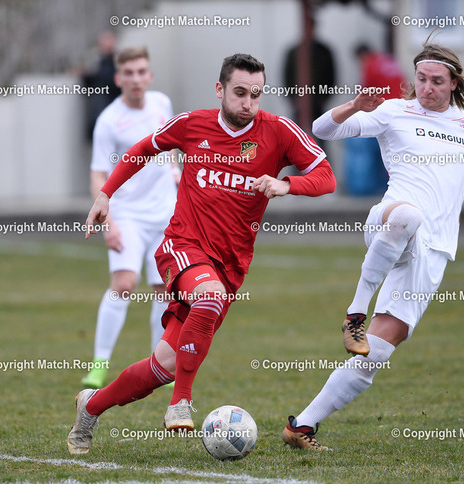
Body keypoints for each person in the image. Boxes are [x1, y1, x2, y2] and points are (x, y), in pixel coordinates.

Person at [67, 53, 336, 454]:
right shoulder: (192, 124)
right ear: (220, 90)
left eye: (256, 94)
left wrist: (287, 185)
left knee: (163, 366)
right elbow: (142, 149)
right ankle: (181, 402)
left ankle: (91, 407)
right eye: (240, 92)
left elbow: (326, 177)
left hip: (230, 266)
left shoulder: (279, 131)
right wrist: (106, 194)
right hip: (182, 245)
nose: (248, 102)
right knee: (208, 297)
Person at [281, 41, 464, 450]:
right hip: (389, 221)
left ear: (454, 83)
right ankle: (355, 313)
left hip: (433, 250)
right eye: (421, 79)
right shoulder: (393, 111)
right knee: (408, 216)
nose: (427, 88)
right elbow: (321, 130)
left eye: (437, 81)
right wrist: (354, 106)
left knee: (376, 354)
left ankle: (302, 426)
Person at [80, 46, 179, 389]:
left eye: (141, 72)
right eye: (129, 73)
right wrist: (108, 222)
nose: (136, 79)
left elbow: (171, 146)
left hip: (165, 215)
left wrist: (175, 171)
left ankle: (159, 365)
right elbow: (98, 174)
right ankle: (99, 365)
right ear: (118, 78)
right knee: (123, 285)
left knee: (164, 289)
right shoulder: (109, 120)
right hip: (128, 216)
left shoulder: (162, 104)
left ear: (149, 75)